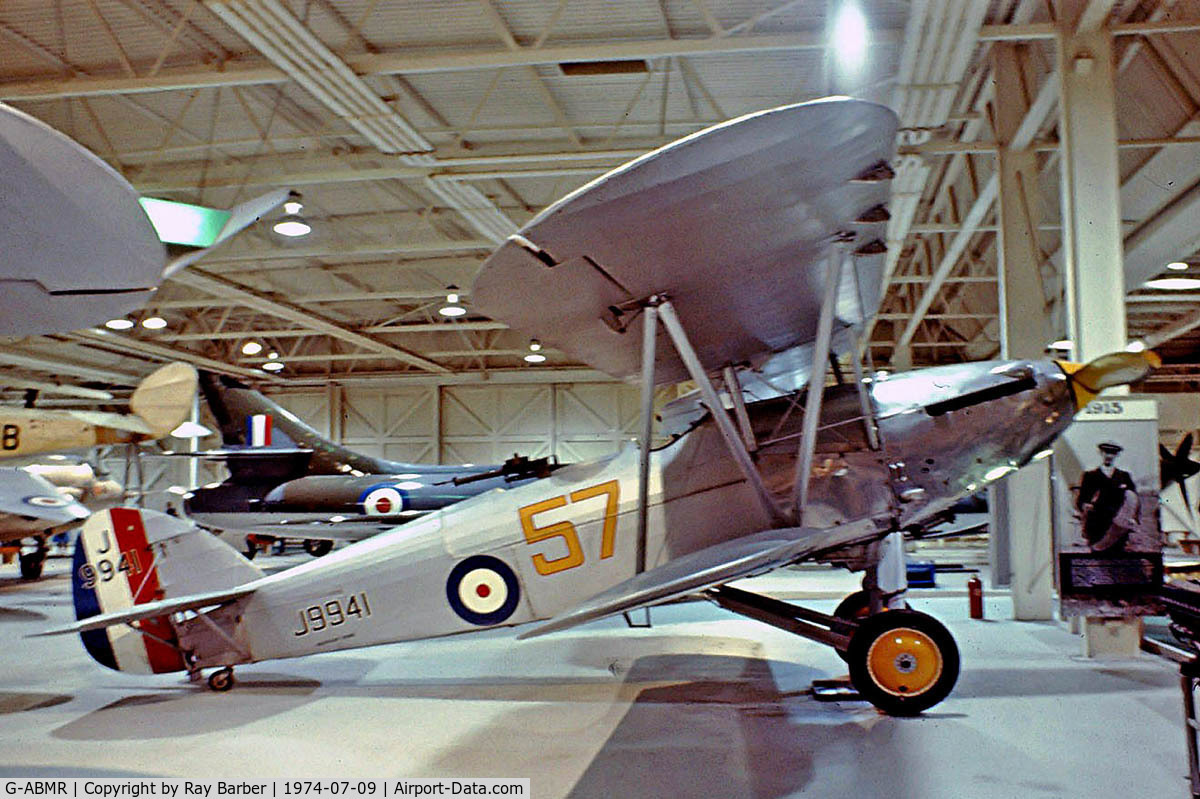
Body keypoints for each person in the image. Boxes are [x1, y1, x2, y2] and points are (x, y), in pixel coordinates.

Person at [1076, 441, 1138, 552]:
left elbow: (1133, 499)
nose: (1109, 456)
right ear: (1101, 453)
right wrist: (1085, 505)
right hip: (1096, 524)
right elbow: (1082, 499)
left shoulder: (1124, 476)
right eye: (1106, 452)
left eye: (1112, 453)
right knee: (1097, 558)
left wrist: (1132, 519)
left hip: (1117, 526)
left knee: (1118, 559)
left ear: (1116, 455)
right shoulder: (1090, 476)